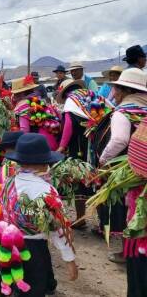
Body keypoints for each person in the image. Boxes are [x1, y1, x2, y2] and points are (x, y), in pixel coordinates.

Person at [0, 133, 78, 296]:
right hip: (32, 250)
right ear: (43, 165)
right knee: (32, 288)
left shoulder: (7, 182)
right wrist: (69, 259)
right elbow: (58, 227)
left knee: (9, 285)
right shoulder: (46, 191)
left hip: (7, 245)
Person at [97, 68, 147, 264]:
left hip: (133, 167)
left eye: (115, 89)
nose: (113, 93)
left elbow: (119, 140)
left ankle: (131, 253)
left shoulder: (123, 111)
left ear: (124, 90)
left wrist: (103, 159)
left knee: (134, 208)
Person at [56, 79, 109, 229]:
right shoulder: (93, 97)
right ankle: (102, 223)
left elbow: (68, 126)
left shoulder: (71, 102)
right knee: (98, 181)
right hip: (97, 146)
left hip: (78, 148)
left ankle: (80, 219)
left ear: (65, 93)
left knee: (79, 180)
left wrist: (61, 147)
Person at [12, 76, 59, 150]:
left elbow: (24, 131)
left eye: (15, 94)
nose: (14, 96)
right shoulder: (37, 101)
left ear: (21, 93)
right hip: (50, 140)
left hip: (38, 145)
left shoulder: (23, 105)